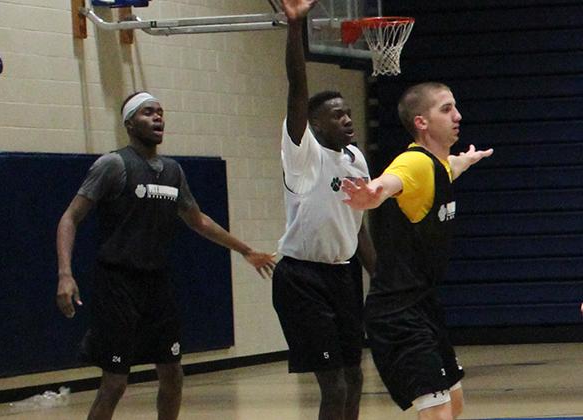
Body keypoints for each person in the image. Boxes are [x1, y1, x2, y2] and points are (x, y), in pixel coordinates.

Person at [56, 91, 276, 420]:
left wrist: (246, 250)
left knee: (173, 376)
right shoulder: (113, 165)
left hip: (156, 284)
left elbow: (199, 221)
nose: (158, 118)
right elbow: (69, 217)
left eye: (160, 112)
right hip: (118, 284)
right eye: (148, 112)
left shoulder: (173, 171)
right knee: (115, 382)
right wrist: (65, 274)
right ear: (130, 123)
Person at [342, 82, 493, 419]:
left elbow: (449, 167)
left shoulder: (438, 166)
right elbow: (392, 181)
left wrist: (465, 160)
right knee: (437, 412)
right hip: (397, 315)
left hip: (423, 306)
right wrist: (374, 193)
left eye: (455, 107)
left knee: (454, 406)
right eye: (446, 109)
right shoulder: (414, 163)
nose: (458, 116)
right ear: (421, 122)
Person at [272, 1, 377, 419]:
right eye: (337, 116)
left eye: (349, 113)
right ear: (314, 126)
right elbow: (297, 88)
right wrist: (294, 27)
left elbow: (360, 228)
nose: (348, 119)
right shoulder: (303, 154)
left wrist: (382, 280)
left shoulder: (354, 157)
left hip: (344, 274)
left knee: (355, 380)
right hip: (302, 277)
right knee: (332, 386)